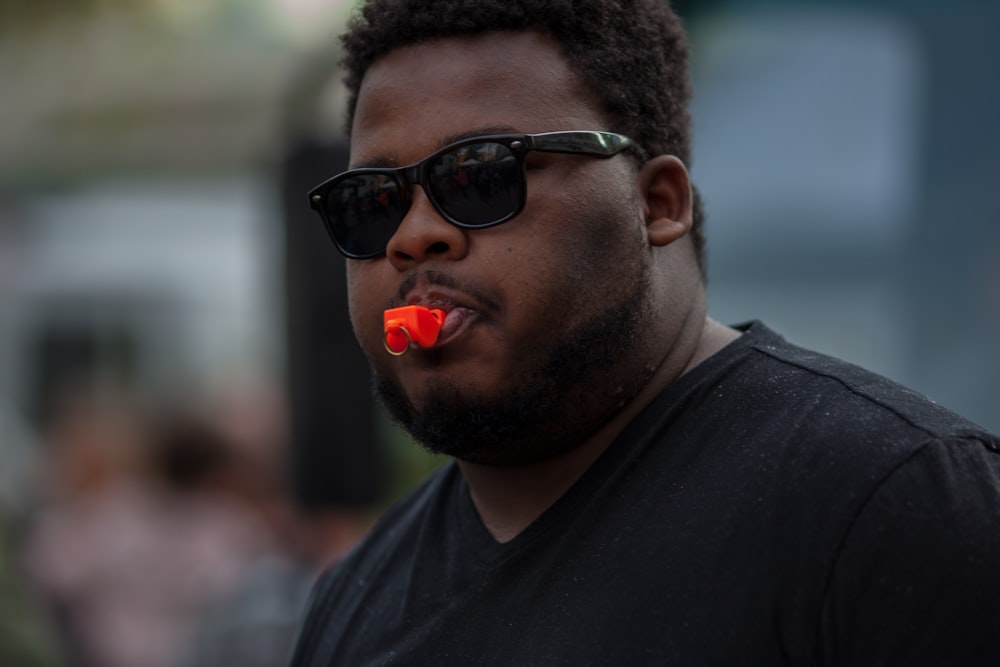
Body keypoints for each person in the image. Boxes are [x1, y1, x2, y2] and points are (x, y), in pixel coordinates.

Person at [291, 1, 1000, 664]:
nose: (413, 237)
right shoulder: (353, 601)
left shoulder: (896, 507)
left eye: (481, 176)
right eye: (373, 202)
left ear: (657, 204)